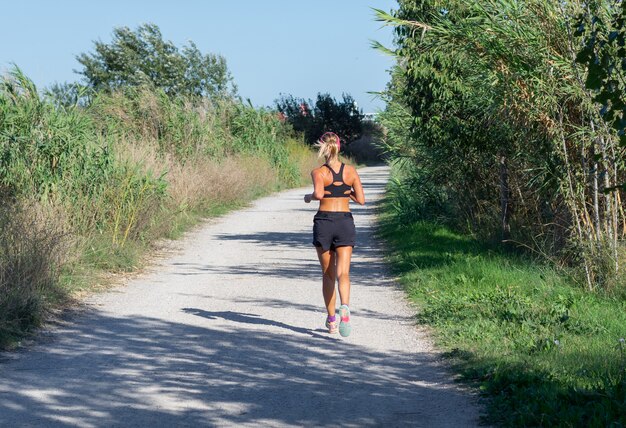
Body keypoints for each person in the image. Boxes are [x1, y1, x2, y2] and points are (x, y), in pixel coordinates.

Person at [304, 132, 365, 336]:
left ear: (322, 148)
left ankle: (331, 321)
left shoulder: (318, 172)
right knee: (343, 273)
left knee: (328, 274)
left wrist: (308, 197)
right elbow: (361, 200)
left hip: (325, 222)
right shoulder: (351, 171)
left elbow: (319, 194)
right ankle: (345, 306)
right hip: (345, 222)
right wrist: (345, 192)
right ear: (339, 147)